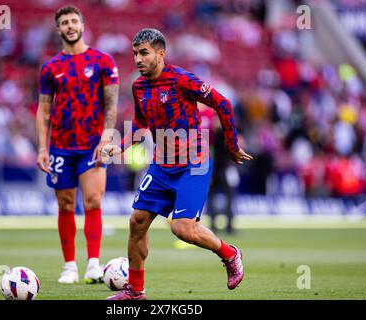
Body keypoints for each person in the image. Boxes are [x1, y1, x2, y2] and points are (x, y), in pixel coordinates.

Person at [100, 28, 252, 300]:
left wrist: (231, 146)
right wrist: (119, 146)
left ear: (160, 53)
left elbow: (223, 103)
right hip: (161, 165)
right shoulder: (139, 86)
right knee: (137, 222)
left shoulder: (181, 79)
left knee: (182, 228)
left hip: (193, 163)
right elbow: (140, 125)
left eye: (144, 53)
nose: (137, 59)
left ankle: (230, 254)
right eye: (135, 53)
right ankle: (135, 290)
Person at [36, 6, 119, 284]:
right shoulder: (50, 68)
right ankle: (69, 265)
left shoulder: (103, 61)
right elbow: (44, 111)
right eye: (64, 23)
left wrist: (107, 136)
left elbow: (111, 103)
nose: (70, 26)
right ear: (58, 30)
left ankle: (94, 263)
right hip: (60, 146)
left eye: (74, 21)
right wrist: (42, 148)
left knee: (93, 200)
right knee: (66, 204)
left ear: (82, 25)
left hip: (93, 144)